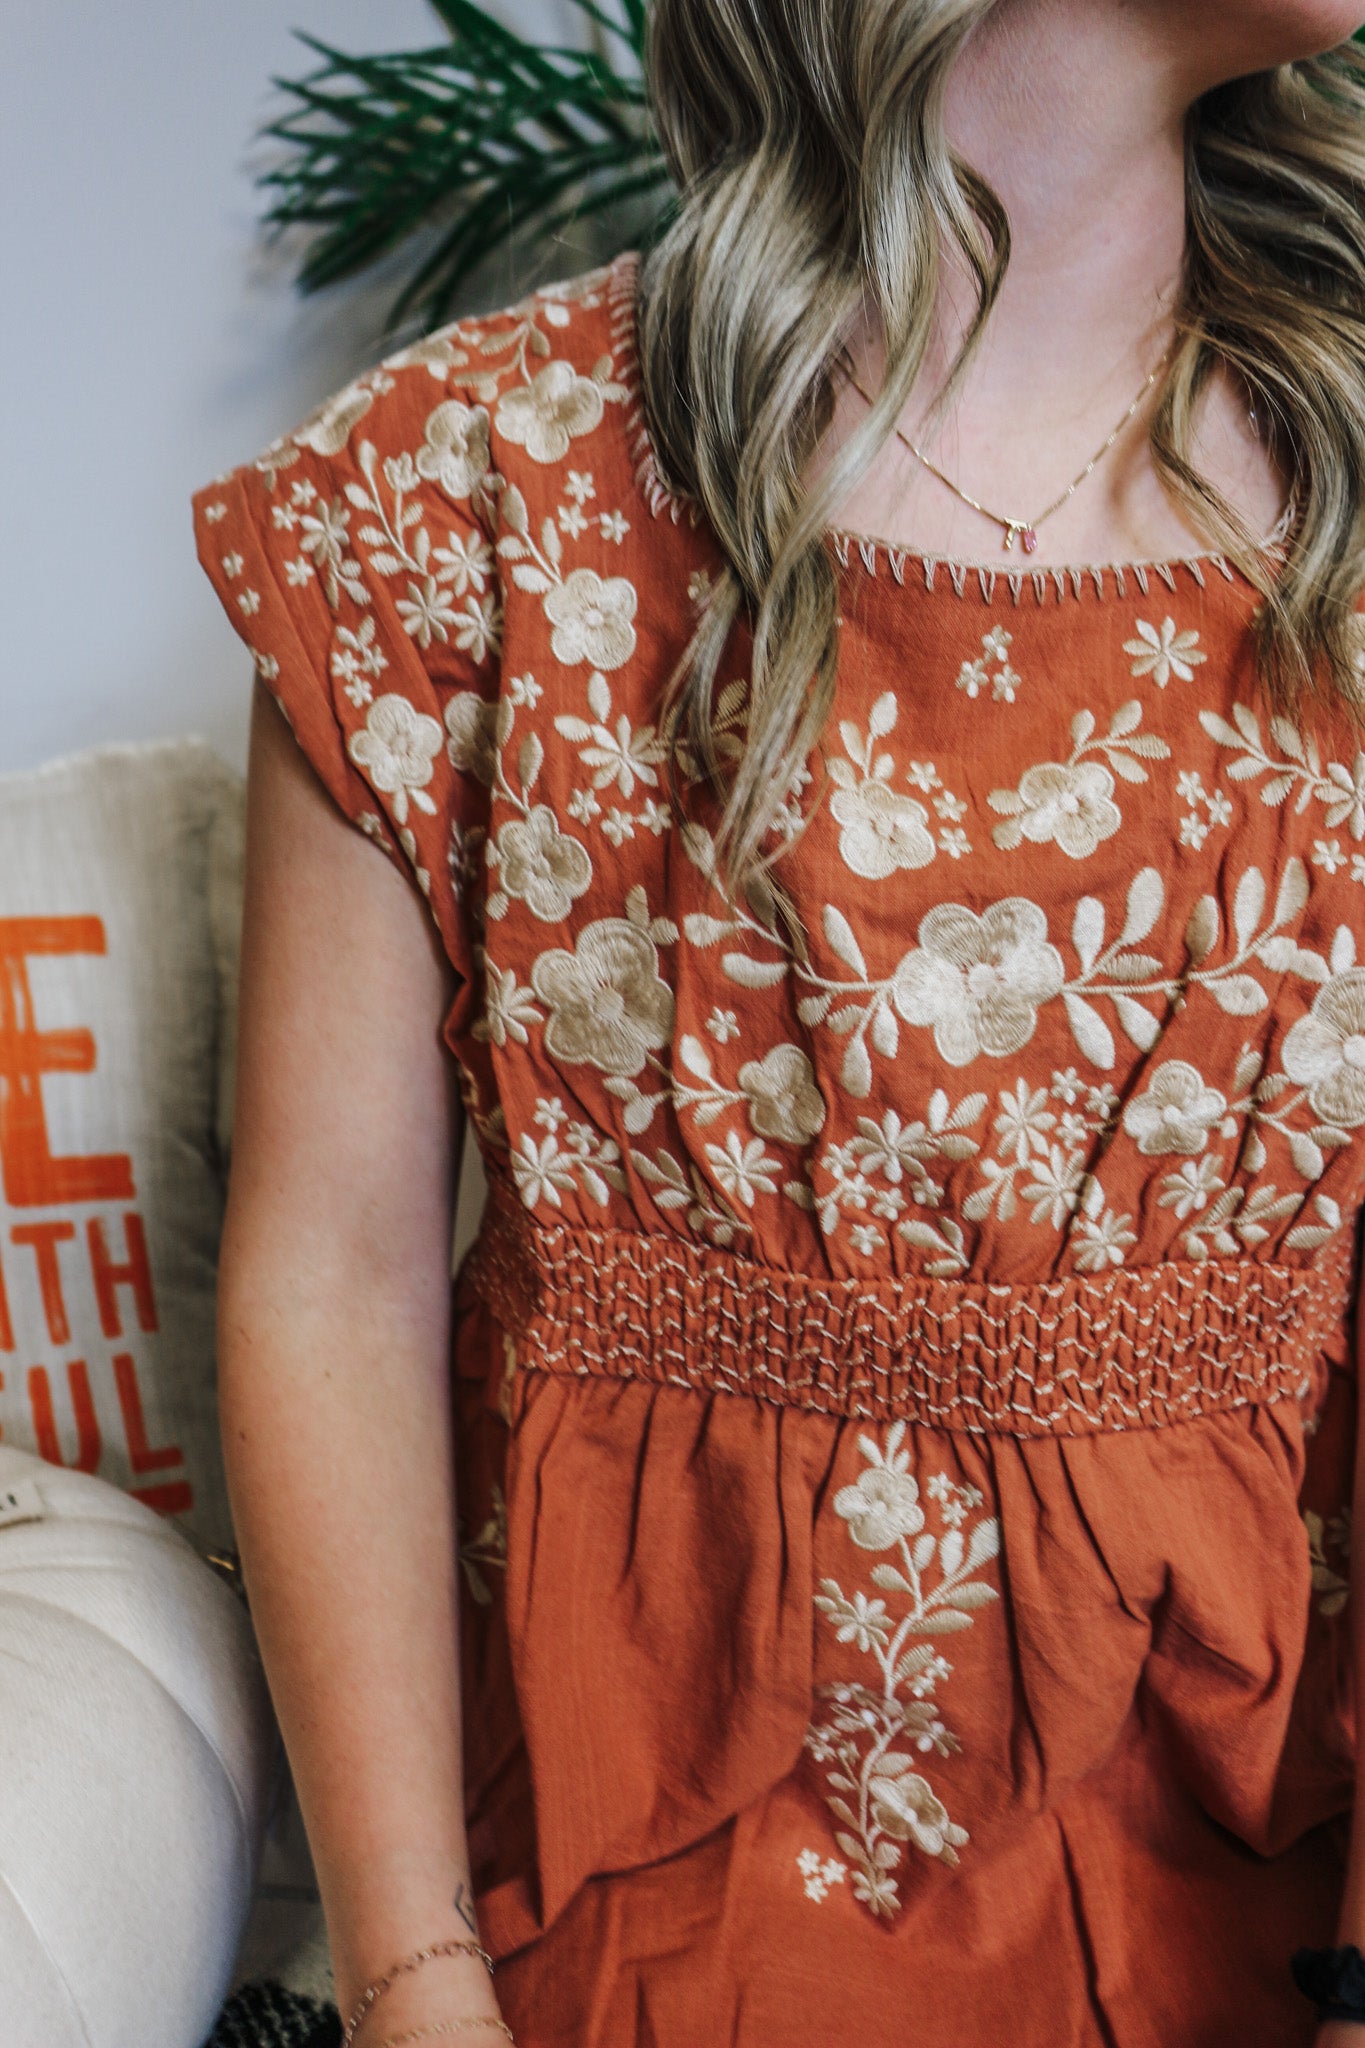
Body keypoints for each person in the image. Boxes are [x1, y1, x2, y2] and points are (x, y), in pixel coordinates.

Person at [191, 3, 1365, 2042]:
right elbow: (335, 1277)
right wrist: (409, 1983)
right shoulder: (441, 507)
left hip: (1276, 1879)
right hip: (624, 1872)